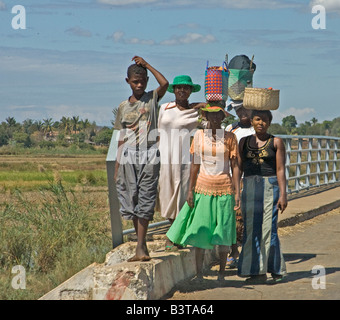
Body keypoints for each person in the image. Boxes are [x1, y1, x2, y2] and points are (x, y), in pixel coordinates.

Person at [166, 103, 241, 281]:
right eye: (211, 115)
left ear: (223, 118)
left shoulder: (230, 138)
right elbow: (195, 165)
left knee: (223, 232)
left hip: (224, 188)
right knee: (200, 232)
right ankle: (199, 274)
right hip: (203, 188)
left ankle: (222, 274)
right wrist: (190, 190)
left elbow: (235, 166)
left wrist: (237, 191)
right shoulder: (199, 136)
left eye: (218, 115)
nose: (215, 119)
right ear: (205, 116)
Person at [113, 56, 169, 262]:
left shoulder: (152, 99)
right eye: (135, 82)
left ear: (146, 81)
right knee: (131, 199)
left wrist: (147, 65)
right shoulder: (123, 107)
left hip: (149, 153)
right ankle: (141, 243)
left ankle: (139, 247)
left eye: (142, 81)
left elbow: (165, 84)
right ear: (127, 81)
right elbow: (121, 136)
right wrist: (117, 166)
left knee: (146, 198)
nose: (139, 85)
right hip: (128, 156)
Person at [237, 109, 287, 283]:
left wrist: (283, 194)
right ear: (252, 121)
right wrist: (237, 191)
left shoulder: (276, 142)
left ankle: (273, 269)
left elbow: (280, 169)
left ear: (270, 122)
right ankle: (254, 270)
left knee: (269, 229)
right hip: (250, 188)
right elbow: (238, 168)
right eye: (257, 119)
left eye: (265, 120)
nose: (261, 123)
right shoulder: (243, 142)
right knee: (250, 230)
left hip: (270, 187)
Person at [157, 75, 206, 252]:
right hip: (164, 156)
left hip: (185, 159)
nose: (182, 91)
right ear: (174, 90)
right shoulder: (165, 108)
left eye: (186, 88)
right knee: (166, 193)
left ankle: (174, 235)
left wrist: (202, 106)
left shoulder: (196, 112)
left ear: (191, 91)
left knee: (183, 194)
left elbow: (222, 114)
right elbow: (156, 131)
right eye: (179, 88)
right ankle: (175, 231)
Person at [225, 104, 255, 268]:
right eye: (238, 110)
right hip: (233, 178)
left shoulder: (256, 127)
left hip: (251, 178)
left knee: (248, 218)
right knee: (233, 218)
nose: (242, 113)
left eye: (245, 109)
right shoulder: (231, 128)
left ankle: (248, 253)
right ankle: (234, 252)